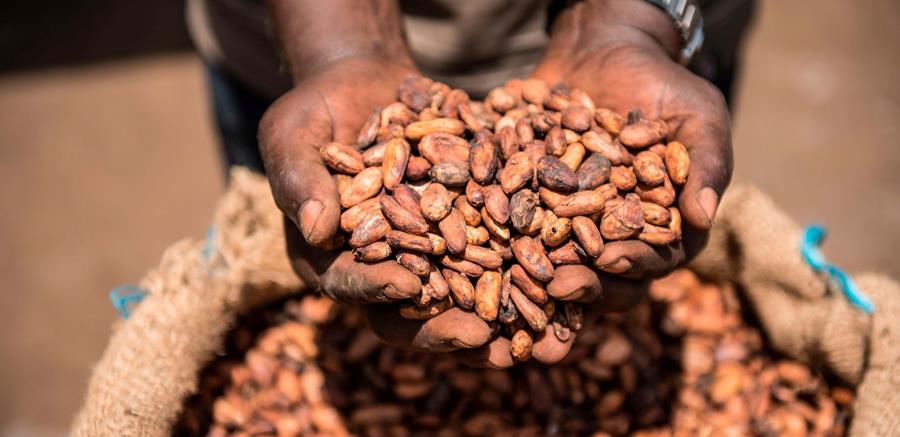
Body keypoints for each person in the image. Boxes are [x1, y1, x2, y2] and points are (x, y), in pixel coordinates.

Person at [187, 0, 754, 367]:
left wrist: (628, 21)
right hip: (310, 30)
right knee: (299, 213)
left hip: (643, 24)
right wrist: (342, 42)